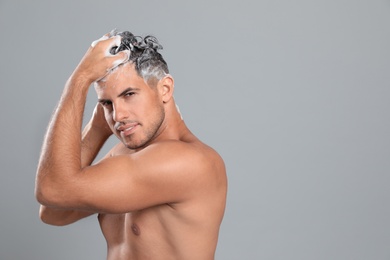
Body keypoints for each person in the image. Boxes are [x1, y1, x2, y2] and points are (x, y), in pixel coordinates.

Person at [35, 30, 227, 260]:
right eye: (107, 103)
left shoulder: (189, 161)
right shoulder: (126, 155)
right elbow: (54, 211)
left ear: (164, 89)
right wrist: (97, 128)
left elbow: (53, 189)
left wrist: (79, 79)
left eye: (129, 94)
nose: (118, 115)